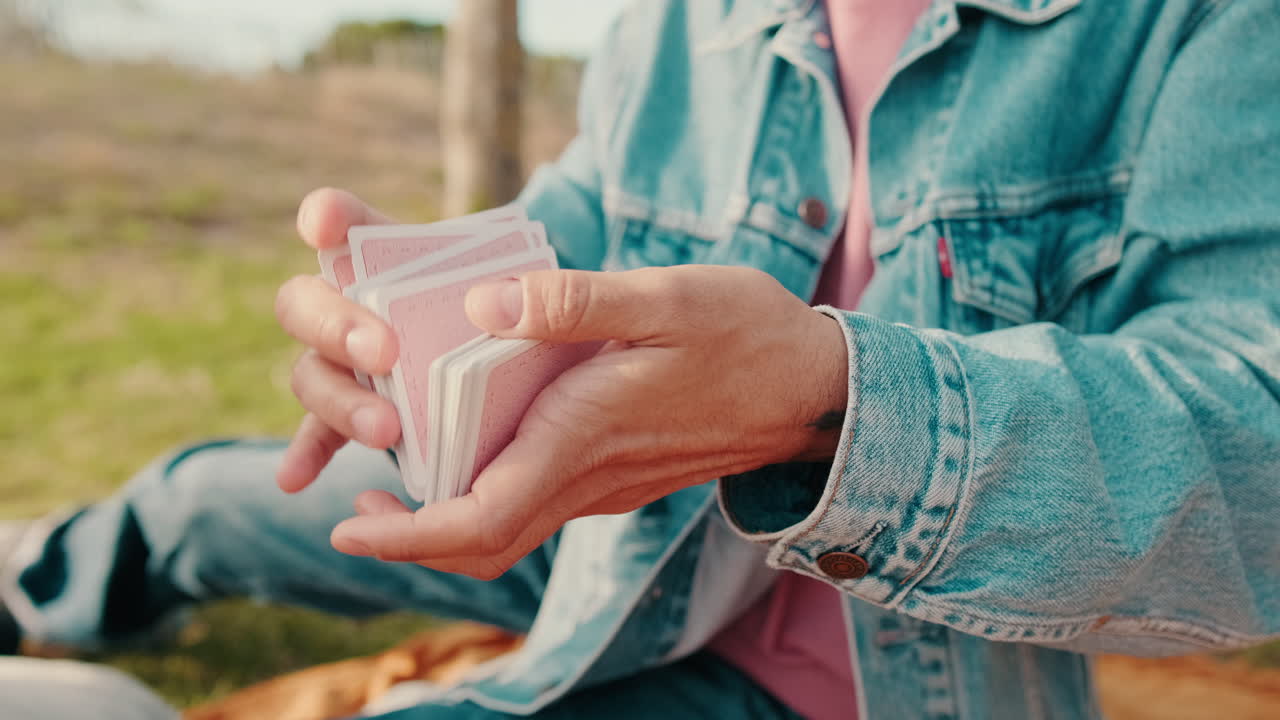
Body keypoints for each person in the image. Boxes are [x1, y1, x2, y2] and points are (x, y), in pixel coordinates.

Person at [4, 0, 1280, 717]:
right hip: (599, 534)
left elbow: (1251, 461)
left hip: (855, 684)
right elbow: (579, 229)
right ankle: (31, 586)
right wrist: (419, 327)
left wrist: (823, 402)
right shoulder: (681, 24)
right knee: (199, 502)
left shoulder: (1205, 28)